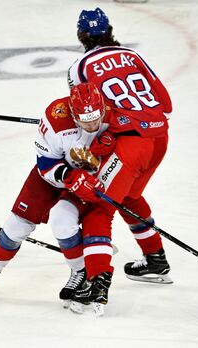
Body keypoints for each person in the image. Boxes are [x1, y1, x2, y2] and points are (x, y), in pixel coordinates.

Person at [0, 82, 117, 307]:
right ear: (74, 114)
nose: (93, 124)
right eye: (86, 119)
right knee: (16, 225)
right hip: (53, 176)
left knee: (62, 223)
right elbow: (45, 165)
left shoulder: (114, 115)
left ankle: (79, 271)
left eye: (96, 117)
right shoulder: (56, 119)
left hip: (87, 179)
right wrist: (69, 177)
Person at [67, 8, 174, 288]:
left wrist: (110, 133)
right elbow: (167, 105)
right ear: (109, 30)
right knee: (128, 195)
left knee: (99, 206)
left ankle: (95, 282)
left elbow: (86, 116)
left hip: (131, 145)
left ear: (81, 35)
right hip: (160, 140)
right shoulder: (133, 55)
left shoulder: (80, 67)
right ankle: (156, 259)